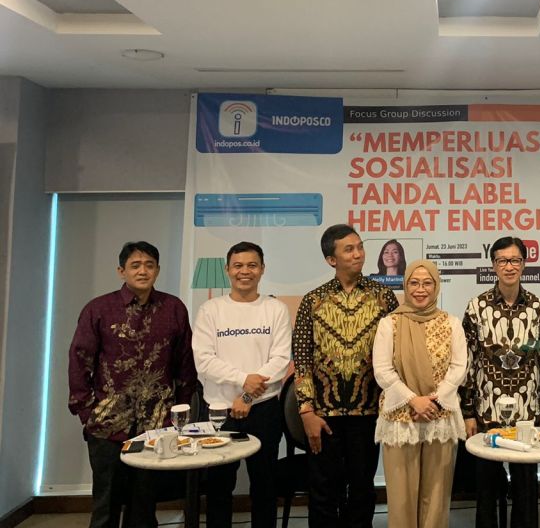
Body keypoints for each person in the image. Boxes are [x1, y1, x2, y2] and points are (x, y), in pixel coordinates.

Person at [68, 241, 197, 528]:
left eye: (149, 265)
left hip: (157, 424)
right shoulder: (99, 309)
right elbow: (80, 359)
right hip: (108, 424)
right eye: (135, 265)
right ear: (121, 271)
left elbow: (185, 364)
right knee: (106, 504)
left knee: (144, 504)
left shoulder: (173, 308)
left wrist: (179, 411)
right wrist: (87, 413)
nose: (143, 271)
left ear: (158, 270)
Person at [293, 224, 399, 528]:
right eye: (349, 249)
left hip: (368, 412)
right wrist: (306, 411)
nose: (358, 254)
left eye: (360, 247)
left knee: (363, 490)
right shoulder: (313, 301)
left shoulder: (383, 297)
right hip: (323, 416)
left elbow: (395, 353)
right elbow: (302, 358)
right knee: (324, 492)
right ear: (331, 259)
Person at [192, 241, 292, 528]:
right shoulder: (210, 310)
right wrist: (242, 380)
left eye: (251, 265)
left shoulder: (275, 309)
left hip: (263, 410)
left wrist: (247, 397)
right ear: (227, 269)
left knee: (265, 485)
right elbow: (204, 361)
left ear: (262, 269)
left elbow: (280, 361)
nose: (244, 271)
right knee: (219, 487)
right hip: (219, 411)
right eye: (238, 265)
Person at [461, 236, 540, 528]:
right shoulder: (476, 307)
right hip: (486, 411)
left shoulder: (537, 307)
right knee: (486, 490)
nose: (509, 266)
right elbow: (466, 362)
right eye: (502, 260)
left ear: (524, 264)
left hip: (527, 412)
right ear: (493, 265)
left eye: (515, 260)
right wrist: (467, 412)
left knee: (526, 490)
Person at [372, 259, 467, 528]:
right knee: (401, 497)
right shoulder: (389, 324)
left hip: (439, 415)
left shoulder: (451, 323)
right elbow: (382, 370)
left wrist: (433, 401)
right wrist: (414, 400)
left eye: (427, 283)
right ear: (405, 285)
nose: (420, 289)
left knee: (437, 496)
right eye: (414, 283)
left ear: (436, 286)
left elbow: (459, 367)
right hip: (401, 418)